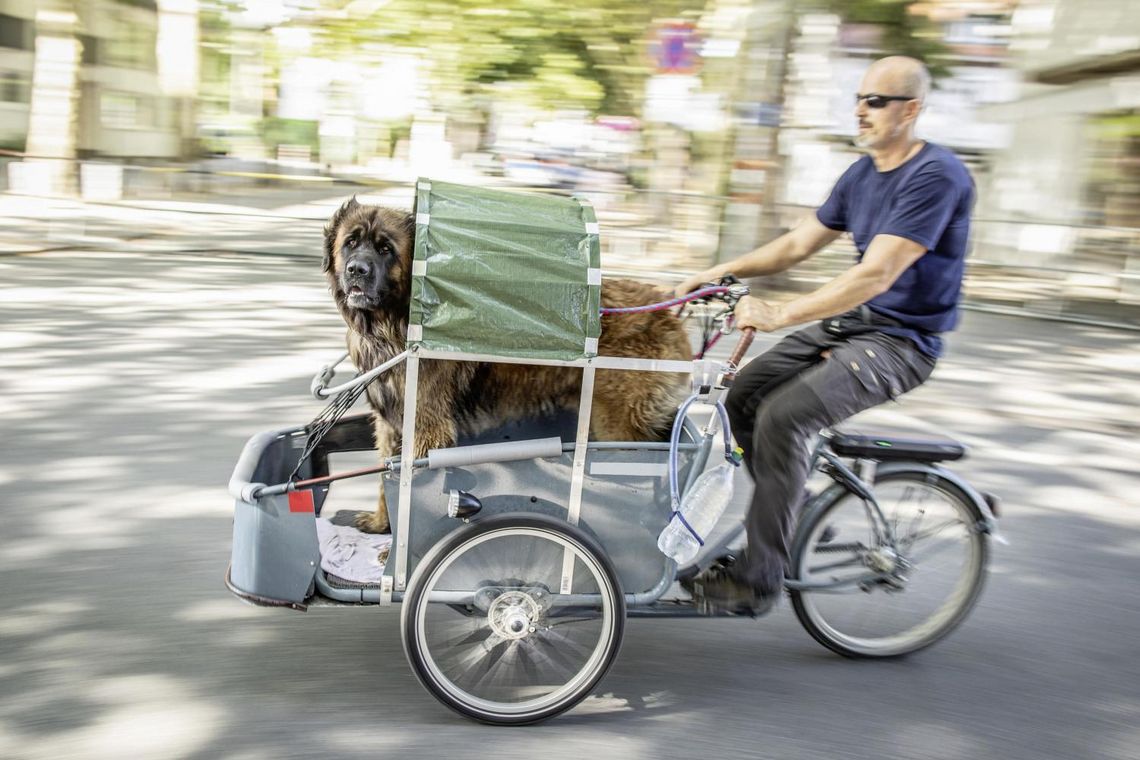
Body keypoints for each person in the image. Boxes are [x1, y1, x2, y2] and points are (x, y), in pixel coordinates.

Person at [674, 56, 975, 614]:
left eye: (876, 101)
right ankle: (791, 514)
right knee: (742, 397)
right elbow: (796, 244)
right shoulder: (861, 174)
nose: (861, 110)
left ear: (911, 110)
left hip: (903, 342)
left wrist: (779, 314)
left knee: (785, 416)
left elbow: (877, 273)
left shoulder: (937, 175)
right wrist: (723, 272)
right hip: (857, 327)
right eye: (859, 99)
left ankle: (758, 581)